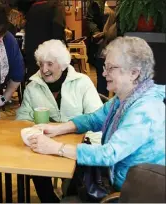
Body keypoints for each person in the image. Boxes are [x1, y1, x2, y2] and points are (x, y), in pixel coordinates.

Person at [27, 36, 165, 200]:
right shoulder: (124, 99)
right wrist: (58, 128)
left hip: (132, 194)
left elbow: (109, 154)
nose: (104, 73)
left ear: (134, 73)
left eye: (111, 68)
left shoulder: (145, 109)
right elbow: (94, 119)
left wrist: (57, 148)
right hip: (114, 179)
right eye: (105, 67)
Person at [16, 39, 103, 203]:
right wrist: (32, 128)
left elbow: (96, 118)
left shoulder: (82, 83)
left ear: (62, 64)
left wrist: (88, 145)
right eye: (41, 64)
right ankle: (48, 200)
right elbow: (22, 118)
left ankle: (70, 197)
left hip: (77, 146)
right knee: (35, 162)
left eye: (50, 64)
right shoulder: (33, 87)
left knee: (75, 181)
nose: (44, 69)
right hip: (45, 145)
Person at [24, 0, 66, 79]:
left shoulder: (32, 7)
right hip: (49, 55)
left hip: (33, 53)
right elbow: (58, 27)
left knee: (35, 83)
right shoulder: (56, 6)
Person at [86, 0, 117, 96]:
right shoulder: (96, 3)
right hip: (102, 45)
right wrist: (96, 33)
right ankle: (102, 105)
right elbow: (89, 19)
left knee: (120, 79)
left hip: (119, 45)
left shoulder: (125, 4)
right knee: (102, 76)